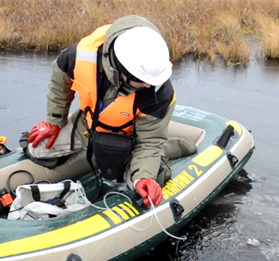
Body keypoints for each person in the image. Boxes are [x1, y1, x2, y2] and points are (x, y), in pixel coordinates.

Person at [27, 15, 176, 207]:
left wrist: (143, 177)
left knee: (141, 183)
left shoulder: (159, 89)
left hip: (132, 141)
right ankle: (98, 156)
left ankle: (167, 152)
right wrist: (54, 121)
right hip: (87, 129)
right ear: (122, 70)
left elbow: (149, 142)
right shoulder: (80, 55)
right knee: (38, 149)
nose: (148, 85)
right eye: (141, 81)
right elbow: (59, 81)